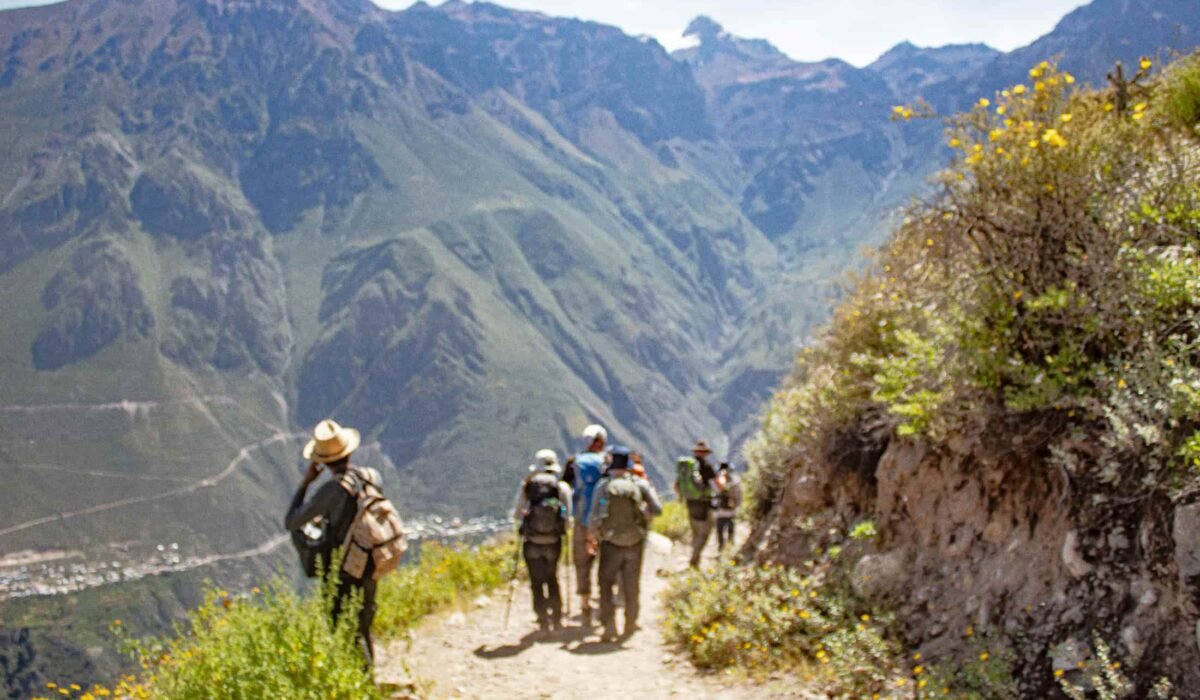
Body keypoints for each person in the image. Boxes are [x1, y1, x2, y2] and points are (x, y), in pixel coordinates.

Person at [284, 419, 378, 665]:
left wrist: (306, 483)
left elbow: (292, 521)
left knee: (344, 629)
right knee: (363, 625)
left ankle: (359, 688)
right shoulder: (369, 476)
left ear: (321, 461)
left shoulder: (332, 490)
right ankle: (369, 683)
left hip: (344, 569)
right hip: (370, 562)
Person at [588, 447, 662, 642]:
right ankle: (630, 623)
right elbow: (658, 509)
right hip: (635, 542)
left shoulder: (603, 486)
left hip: (610, 543)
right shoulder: (640, 484)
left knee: (606, 584)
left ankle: (609, 626)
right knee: (631, 584)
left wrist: (593, 539)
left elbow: (593, 517)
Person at [512, 448, 573, 634]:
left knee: (536, 580)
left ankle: (542, 618)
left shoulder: (528, 486)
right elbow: (567, 516)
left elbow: (517, 513)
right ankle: (557, 616)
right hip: (553, 540)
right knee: (552, 577)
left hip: (532, 540)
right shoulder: (561, 487)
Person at [571, 424, 608, 624]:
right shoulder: (606, 462)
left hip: (581, 521)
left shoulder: (575, 463)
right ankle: (604, 602)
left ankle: (585, 603)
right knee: (606, 562)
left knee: (582, 563)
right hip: (603, 521)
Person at [674, 440, 717, 568]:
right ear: (705, 453)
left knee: (695, 532)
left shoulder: (686, 468)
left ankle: (694, 556)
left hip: (690, 503)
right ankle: (694, 559)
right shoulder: (707, 467)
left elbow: (676, 486)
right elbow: (717, 486)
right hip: (704, 504)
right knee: (704, 534)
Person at [714, 462, 741, 553]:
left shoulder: (718, 481)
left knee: (720, 532)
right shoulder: (735, 482)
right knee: (730, 531)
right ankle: (729, 549)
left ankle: (721, 549)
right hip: (731, 511)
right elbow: (738, 496)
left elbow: (714, 495)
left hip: (720, 512)